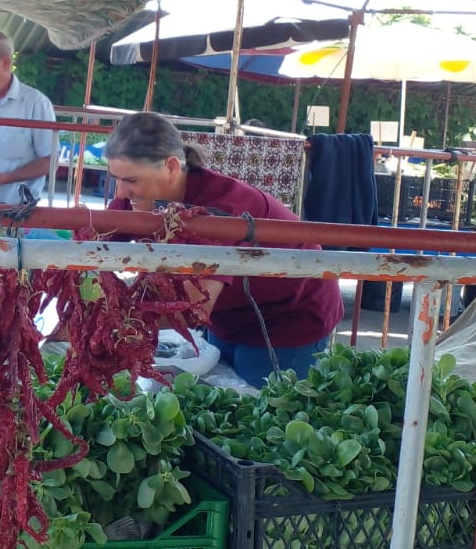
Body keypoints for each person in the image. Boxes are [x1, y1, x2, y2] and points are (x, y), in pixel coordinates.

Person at [104, 111, 343, 388]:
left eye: (131, 181)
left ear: (171, 167)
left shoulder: (217, 211)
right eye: (116, 178)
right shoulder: (136, 201)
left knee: (262, 405)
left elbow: (194, 309)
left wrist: (109, 319)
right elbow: (90, 247)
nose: (121, 192)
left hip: (289, 315)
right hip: (229, 314)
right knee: (218, 396)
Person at [0, 27, 56, 204]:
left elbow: (50, 161)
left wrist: (7, 178)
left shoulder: (35, 103)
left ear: (5, 62)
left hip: (14, 210)